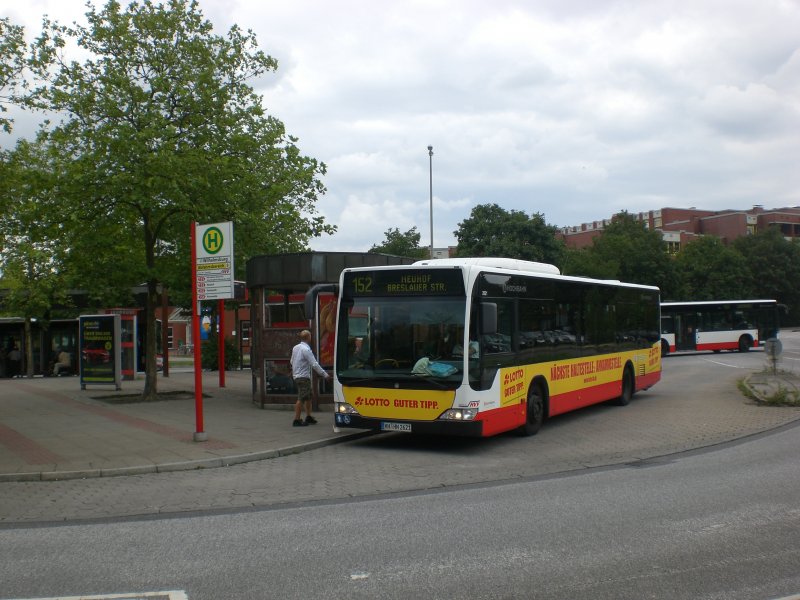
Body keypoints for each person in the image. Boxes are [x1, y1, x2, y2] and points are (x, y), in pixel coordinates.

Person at [290, 329, 330, 427]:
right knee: (302, 398)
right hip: (303, 377)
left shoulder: (296, 347)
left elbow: (291, 361)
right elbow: (314, 364)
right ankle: (297, 420)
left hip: (297, 375)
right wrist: (325, 375)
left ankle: (308, 416)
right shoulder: (306, 350)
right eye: (310, 336)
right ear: (308, 338)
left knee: (308, 397)